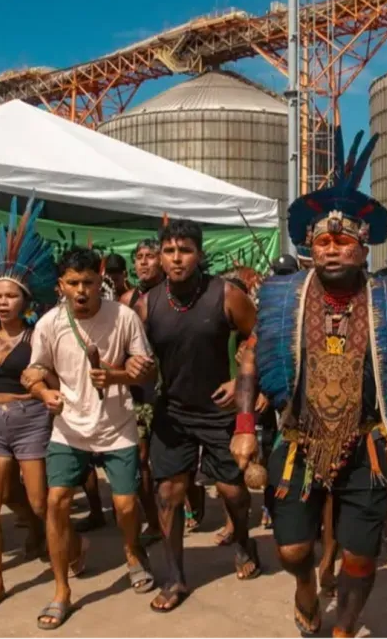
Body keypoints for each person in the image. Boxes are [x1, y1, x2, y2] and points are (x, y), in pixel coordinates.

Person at [232, 128, 387, 638]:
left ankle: (344, 628)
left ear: (364, 248)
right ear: (310, 246)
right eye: (322, 241)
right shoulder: (281, 297)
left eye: (343, 241)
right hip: (298, 441)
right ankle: (304, 587)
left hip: (367, 445)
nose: (332, 250)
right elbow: (250, 363)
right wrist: (246, 425)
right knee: (293, 549)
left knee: (361, 557)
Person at [24, 247, 158, 629]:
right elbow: (34, 370)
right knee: (56, 501)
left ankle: (132, 553)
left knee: (126, 505)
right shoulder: (50, 323)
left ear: (101, 279)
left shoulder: (125, 317)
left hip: (117, 426)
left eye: (89, 282)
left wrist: (119, 375)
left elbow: (145, 371)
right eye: (73, 283)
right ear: (61, 285)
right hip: (68, 427)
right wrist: (43, 393)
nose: (82, 290)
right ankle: (62, 590)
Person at [133, 218, 259, 613]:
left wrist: (239, 380)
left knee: (233, 493)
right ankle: (174, 578)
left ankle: (243, 540)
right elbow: (133, 351)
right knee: (168, 495)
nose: (175, 258)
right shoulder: (146, 304)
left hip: (219, 410)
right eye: (168, 251)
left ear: (199, 254)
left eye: (184, 250)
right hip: (171, 411)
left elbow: (258, 334)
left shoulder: (226, 294)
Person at [0, 197, 57, 611]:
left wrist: (41, 381)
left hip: (32, 420)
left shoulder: (39, 335)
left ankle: (72, 547)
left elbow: (56, 377)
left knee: (40, 504)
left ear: (26, 300)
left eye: (11, 296)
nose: (3, 302)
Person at [117, 238, 165, 545]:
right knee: (141, 457)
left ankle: (193, 504)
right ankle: (154, 522)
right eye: (139, 257)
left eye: (150, 256)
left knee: (172, 460)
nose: (144, 262)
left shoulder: (172, 295)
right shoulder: (127, 300)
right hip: (139, 391)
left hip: (172, 385)